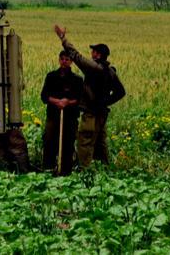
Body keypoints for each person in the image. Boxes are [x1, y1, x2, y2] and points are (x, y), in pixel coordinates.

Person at [53, 24, 125, 167]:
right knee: (99, 142)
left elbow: (76, 56)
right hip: (102, 114)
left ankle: (84, 171)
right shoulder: (110, 71)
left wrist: (63, 38)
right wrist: (105, 102)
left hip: (91, 113)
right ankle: (104, 169)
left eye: (94, 51)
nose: (91, 53)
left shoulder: (94, 68)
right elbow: (121, 92)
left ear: (98, 55)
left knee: (85, 141)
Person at [40, 50, 83, 175]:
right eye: (62, 59)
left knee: (67, 143)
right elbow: (44, 96)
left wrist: (67, 102)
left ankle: (65, 171)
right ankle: (48, 169)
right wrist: (57, 102)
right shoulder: (51, 76)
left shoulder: (77, 80)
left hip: (70, 118)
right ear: (59, 60)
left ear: (71, 62)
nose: (64, 62)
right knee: (49, 141)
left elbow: (80, 99)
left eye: (67, 59)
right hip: (53, 116)